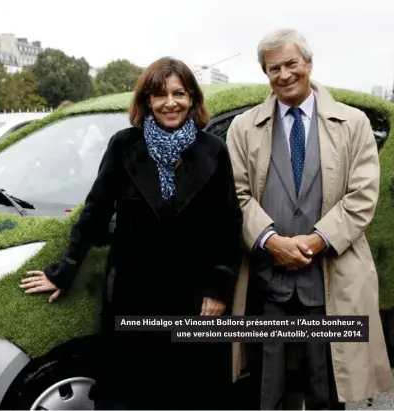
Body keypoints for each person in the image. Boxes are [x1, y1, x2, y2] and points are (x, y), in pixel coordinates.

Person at [21, 56, 244, 409]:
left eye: (179, 93)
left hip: (195, 298)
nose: (170, 103)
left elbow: (229, 225)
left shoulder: (213, 151)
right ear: (146, 102)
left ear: (192, 99)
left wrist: (218, 289)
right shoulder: (124, 146)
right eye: (160, 95)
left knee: (191, 393)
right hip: (134, 293)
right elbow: (95, 212)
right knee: (132, 393)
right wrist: (63, 271)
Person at [226, 28, 394, 410]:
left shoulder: (353, 124)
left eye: (291, 64)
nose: (283, 75)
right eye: (273, 69)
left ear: (308, 63)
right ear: (265, 74)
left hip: (331, 282)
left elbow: (362, 197)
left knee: (328, 391)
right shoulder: (243, 128)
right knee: (268, 393)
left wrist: (315, 242)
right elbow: (236, 196)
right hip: (268, 286)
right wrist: (272, 242)